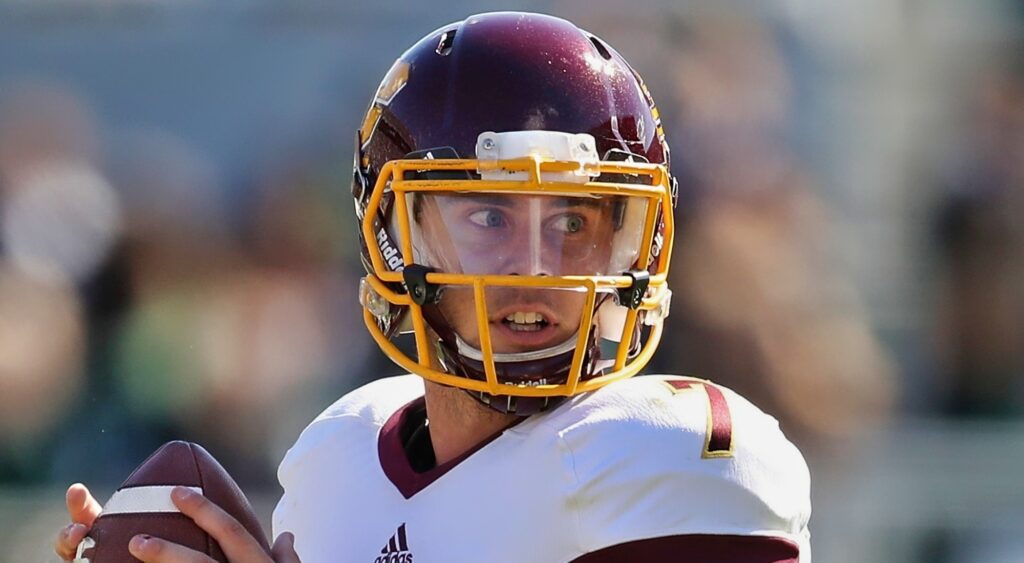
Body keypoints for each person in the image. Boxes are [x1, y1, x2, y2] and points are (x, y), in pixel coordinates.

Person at [55, 11, 811, 562]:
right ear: (393, 233)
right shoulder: (338, 453)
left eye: (575, 221)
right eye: (488, 215)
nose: (537, 265)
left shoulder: (669, 454)